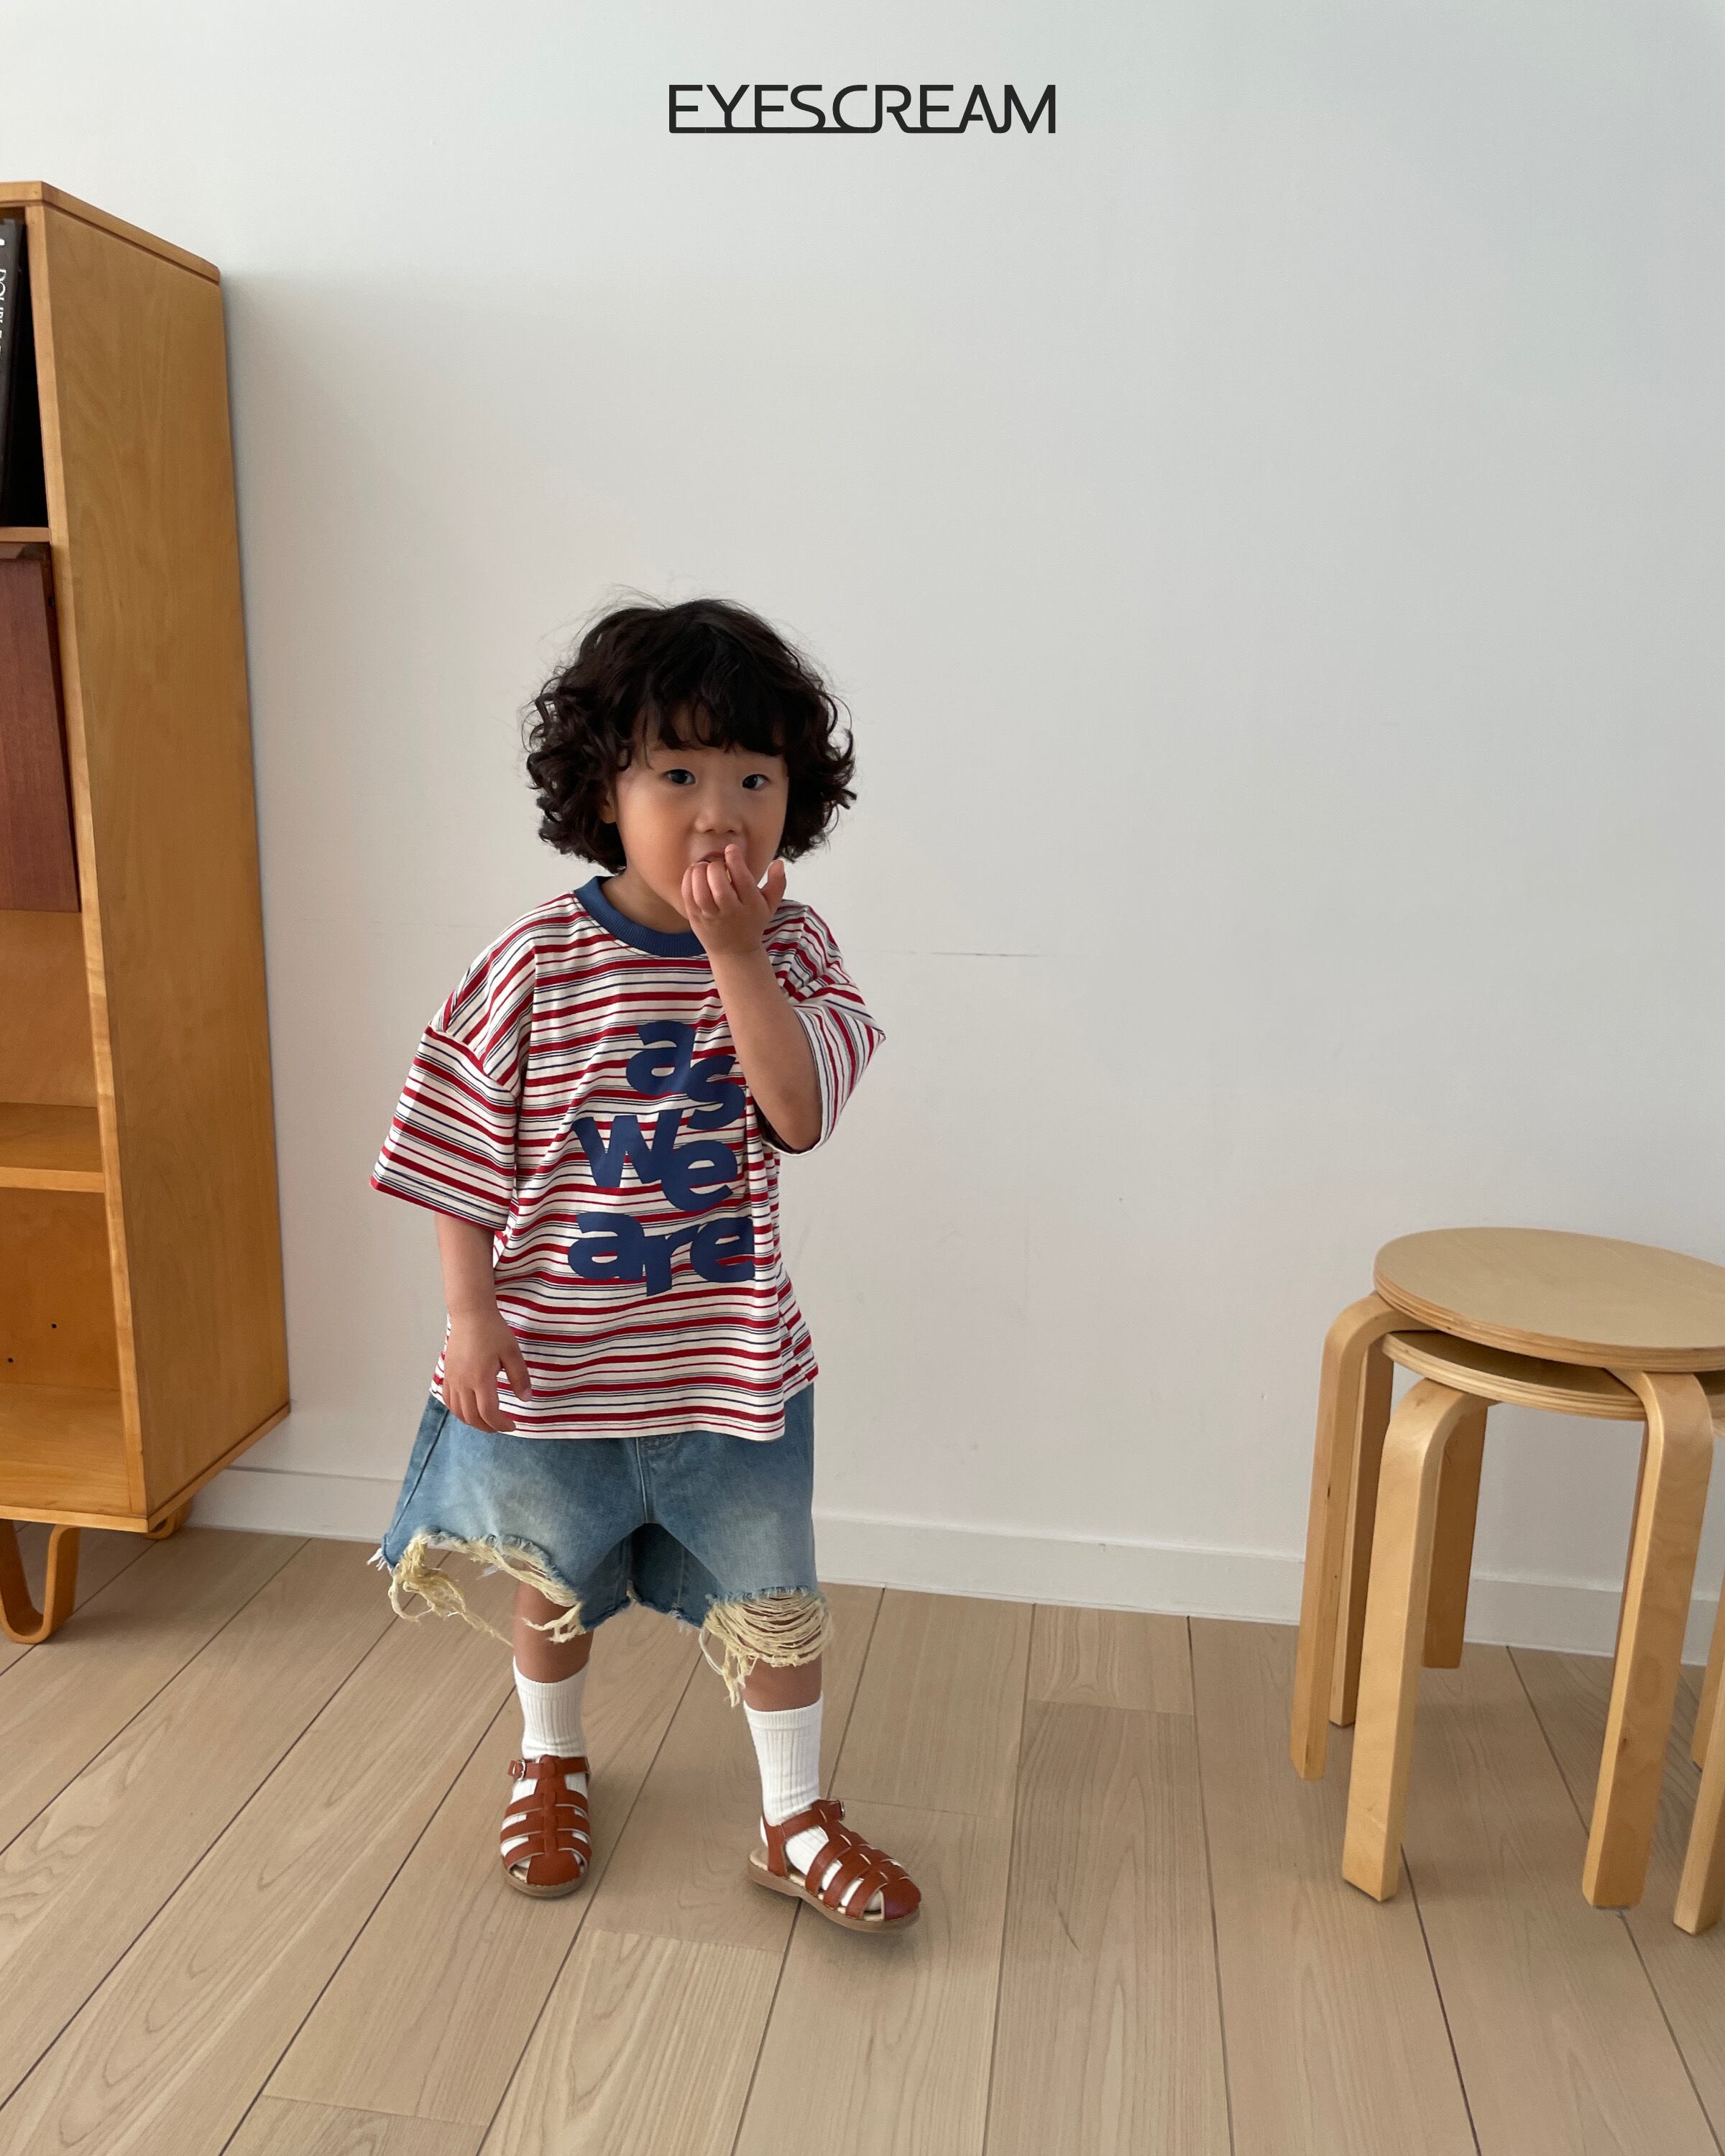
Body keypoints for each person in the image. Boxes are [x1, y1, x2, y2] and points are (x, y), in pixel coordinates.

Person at [369, 595, 921, 1932]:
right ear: (603, 789)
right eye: (677, 775)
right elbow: (454, 1146)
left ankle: (794, 1816)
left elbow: (798, 1112)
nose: (719, 813)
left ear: (796, 794)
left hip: (729, 1373)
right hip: (560, 1367)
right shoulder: (535, 963)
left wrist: (736, 954)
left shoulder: (794, 950)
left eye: (753, 778)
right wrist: (469, 1316)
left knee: (776, 1594)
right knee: (550, 1580)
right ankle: (549, 1758)